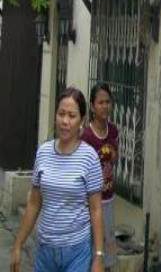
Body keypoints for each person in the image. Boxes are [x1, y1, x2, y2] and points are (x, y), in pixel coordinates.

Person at [11, 87, 105, 272]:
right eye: (61, 114)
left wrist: (99, 256)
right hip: (45, 252)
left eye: (72, 116)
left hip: (77, 252)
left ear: (81, 121)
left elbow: (96, 210)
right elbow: (34, 203)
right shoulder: (43, 153)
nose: (65, 121)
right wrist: (18, 244)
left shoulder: (89, 157)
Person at [81, 83, 119, 270]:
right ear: (92, 106)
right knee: (91, 249)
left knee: (107, 250)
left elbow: (115, 159)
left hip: (108, 198)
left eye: (107, 102)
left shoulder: (114, 131)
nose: (105, 106)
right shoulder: (86, 136)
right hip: (90, 202)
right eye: (100, 102)